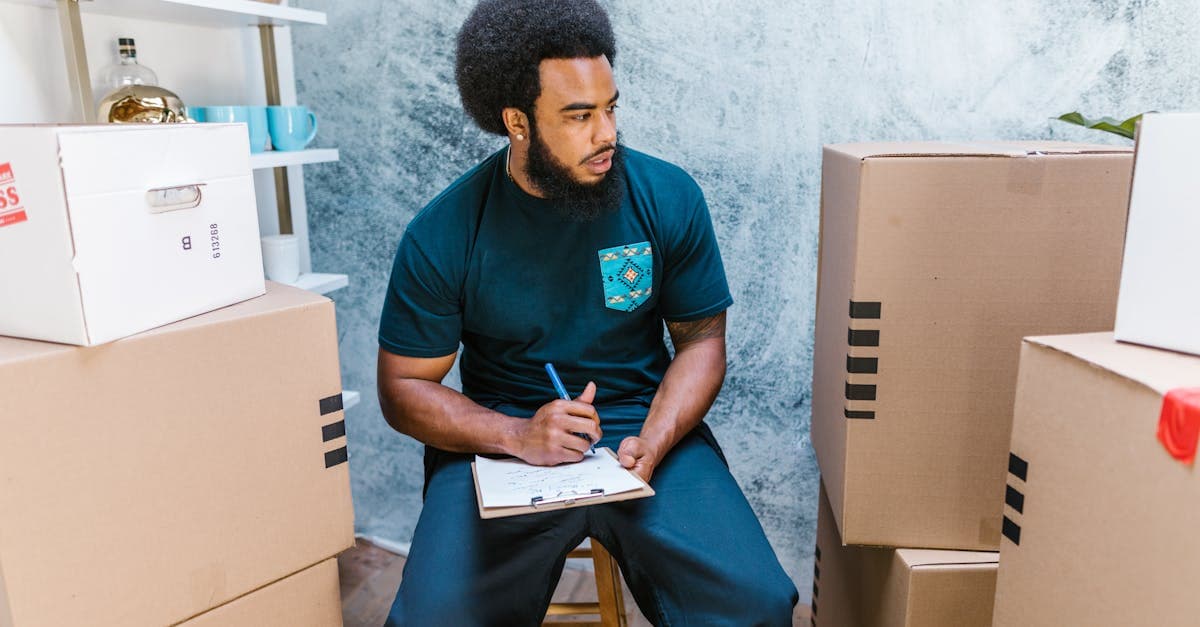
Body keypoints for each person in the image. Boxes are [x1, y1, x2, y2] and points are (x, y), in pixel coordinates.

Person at [377, 0, 798, 624]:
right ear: (517, 122)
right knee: (433, 619)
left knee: (756, 602)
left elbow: (702, 342)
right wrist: (517, 435)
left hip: (641, 424)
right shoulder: (444, 231)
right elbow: (403, 388)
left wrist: (654, 441)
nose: (607, 134)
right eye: (579, 116)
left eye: (610, 108)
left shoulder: (668, 196)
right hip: (505, 437)